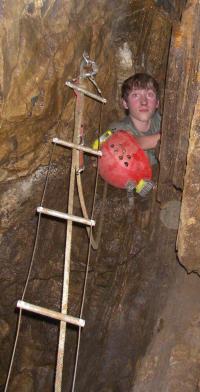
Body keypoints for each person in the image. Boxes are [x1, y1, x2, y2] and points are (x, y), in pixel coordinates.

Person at [108, 73, 161, 166]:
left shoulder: (164, 122)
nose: (144, 102)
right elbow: (130, 143)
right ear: (125, 103)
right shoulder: (116, 128)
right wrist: (167, 137)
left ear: (157, 103)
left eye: (149, 94)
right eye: (135, 95)